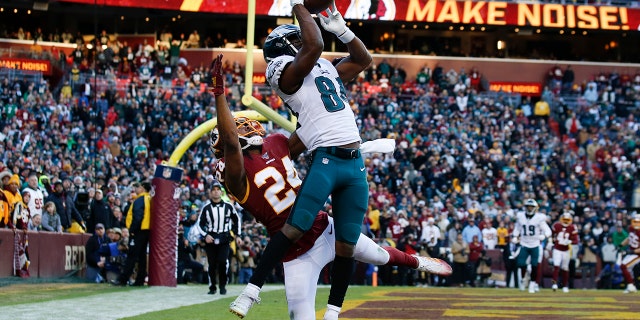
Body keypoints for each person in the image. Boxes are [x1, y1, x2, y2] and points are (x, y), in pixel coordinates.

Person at [208, 54, 449, 319]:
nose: (243, 127)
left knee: (379, 255)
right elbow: (231, 143)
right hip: (295, 252)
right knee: (301, 317)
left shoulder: (276, 143)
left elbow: (314, 125)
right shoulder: (234, 173)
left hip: (324, 228)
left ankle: (417, 262)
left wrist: (318, 86)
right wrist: (219, 93)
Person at [230, 2, 374, 319]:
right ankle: (251, 291)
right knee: (296, 226)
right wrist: (300, 7)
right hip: (325, 157)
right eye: (294, 40)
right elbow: (314, 44)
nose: (300, 42)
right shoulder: (282, 71)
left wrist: (344, 30)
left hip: (354, 161)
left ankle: (334, 313)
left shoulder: (321, 67)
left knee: (347, 244)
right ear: (283, 48)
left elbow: (363, 60)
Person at [195, 181, 241, 295]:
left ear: (221, 192)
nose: (216, 192)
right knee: (211, 263)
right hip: (211, 237)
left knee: (222, 261)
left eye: (218, 190)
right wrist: (206, 235)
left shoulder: (228, 206)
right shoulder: (206, 208)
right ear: (210, 193)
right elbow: (199, 224)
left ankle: (223, 285)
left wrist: (237, 234)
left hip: (224, 237)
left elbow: (237, 220)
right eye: (213, 190)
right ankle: (212, 287)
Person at [112, 181, 151, 286]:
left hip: (138, 231)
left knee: (132, 256)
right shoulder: (149, 199)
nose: (136, 189)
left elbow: (138, 217)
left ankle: (122, 280)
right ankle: (140, 280)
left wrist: (132, 230)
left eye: (138, 187)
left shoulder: (140, 200)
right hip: (146, 230)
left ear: (142, 188)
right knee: (142, 257)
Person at [512, 198, 551, 293]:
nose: (529, 209)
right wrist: (515, 236)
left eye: (531, 207)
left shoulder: (539, 218)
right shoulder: (521, 216)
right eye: (528, 207)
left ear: (535, 208)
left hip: (535, 244)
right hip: (524, 244)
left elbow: (548, 231)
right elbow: (517, 228)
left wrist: (544, 235)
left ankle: (532, 284)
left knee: (534, 266)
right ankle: (523, 280)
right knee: (521, 264)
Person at [550, 210, 579, 293]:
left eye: (567, 220)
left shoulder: (572, 227)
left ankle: (565, 286)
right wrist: (552, 241)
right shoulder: (556, 225)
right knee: (556, 266)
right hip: (557, 249)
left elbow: (576, 241)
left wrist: (570, 241)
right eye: (564, 220)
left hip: (566, 250)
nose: (566, 222)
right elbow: (551, 236)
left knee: (565, 268)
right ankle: (554, 284)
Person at [619, 214, 640, 294]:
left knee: (624, 266)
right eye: (634, 221)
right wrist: (621, 245)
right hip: (632, 252)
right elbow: (629, 238)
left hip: (637, 254)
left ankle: (631, 285)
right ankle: (631, 286)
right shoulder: (631, 228)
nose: (636, 223)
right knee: (627, 269)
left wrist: (632, 252)